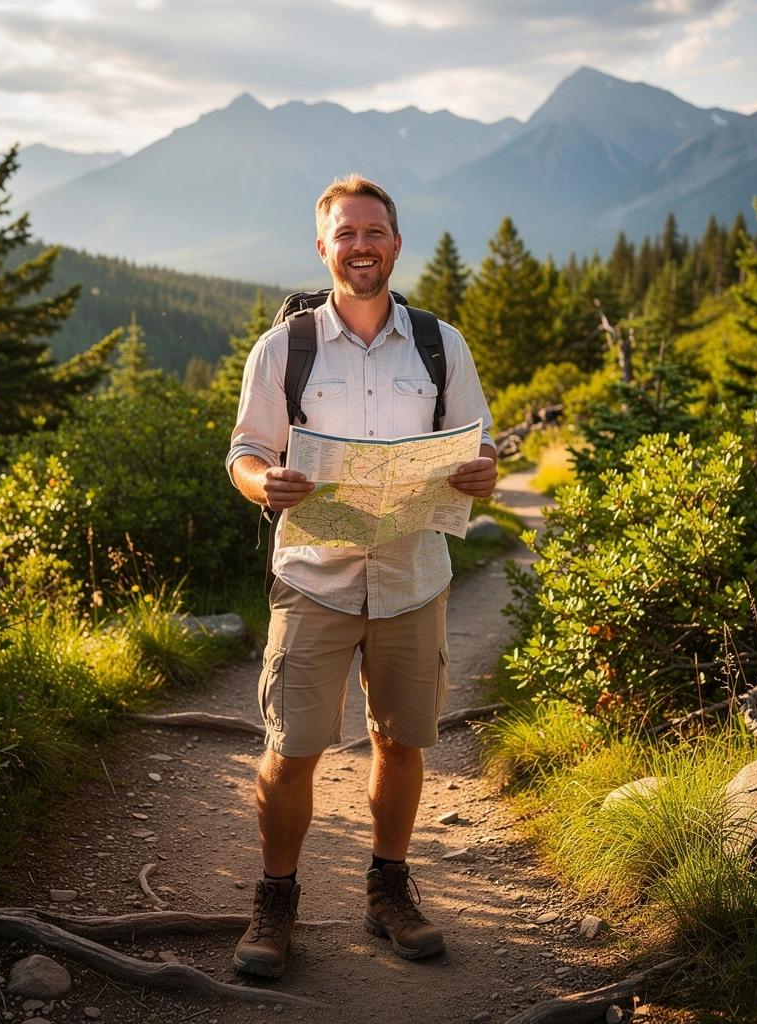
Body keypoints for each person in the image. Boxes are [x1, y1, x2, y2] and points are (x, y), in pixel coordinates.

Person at [226, 174, 496, 979]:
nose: (362, 245)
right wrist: (260, 483)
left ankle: (389, 892)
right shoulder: (285, 347)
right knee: (291, 748)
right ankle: (275, 903)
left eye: (374, 231)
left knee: (401, 741)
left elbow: (471, 446)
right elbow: (245, 450)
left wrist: (481, 472)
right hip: (313, 575)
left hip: (413, 574)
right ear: (323, 247)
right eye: (346, 233)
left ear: (396, 243)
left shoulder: (442, 345)